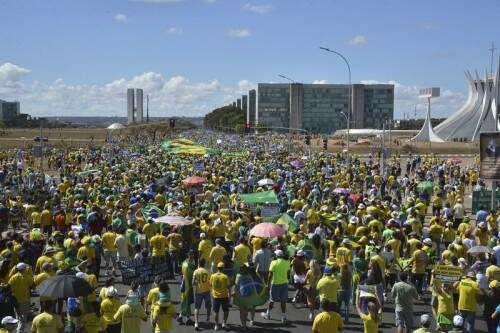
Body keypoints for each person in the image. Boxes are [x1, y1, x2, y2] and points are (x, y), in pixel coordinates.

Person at [262, 249, 290, 324]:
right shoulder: (287, 262)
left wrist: (267, 284)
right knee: (283, 301)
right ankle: (283, 317)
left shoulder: (273, 262)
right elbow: (287, 272)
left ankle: (268, 314)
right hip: (284, 283)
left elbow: (270, 275)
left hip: (275, 284)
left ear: (276, 256)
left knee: (272, 300)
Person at [8, 262, 32, 333]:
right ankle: (20, 331)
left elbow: (9, 286)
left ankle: (18, 329)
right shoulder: (27, 277)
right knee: (23, 317)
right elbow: (31, 284)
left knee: (17, 316)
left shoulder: (13, 277)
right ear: (24, 269)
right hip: (25, 299)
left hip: (15, 300)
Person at [209, 262, 231, 331]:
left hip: (215, 296)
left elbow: (210, 285)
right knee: (226, 311)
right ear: (223, 268)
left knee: (216, 311)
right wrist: (229, 295)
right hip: (224, 296)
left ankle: (216, 325)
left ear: (217, 268)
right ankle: (224, 323)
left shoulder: (213, 276)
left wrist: (212, 291)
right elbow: (228, 287)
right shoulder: (225, 276)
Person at [192, 258, 212, 330]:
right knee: (208, 306)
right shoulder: (208, 271)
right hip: (207, 290)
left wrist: (197, 282)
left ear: (198, 263)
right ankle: (208, 319)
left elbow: (193, 283)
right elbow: (210, 282)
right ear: (204, 263)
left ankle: (196, 323)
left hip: (199, 291)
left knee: (197, 307)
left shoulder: (196, 271)